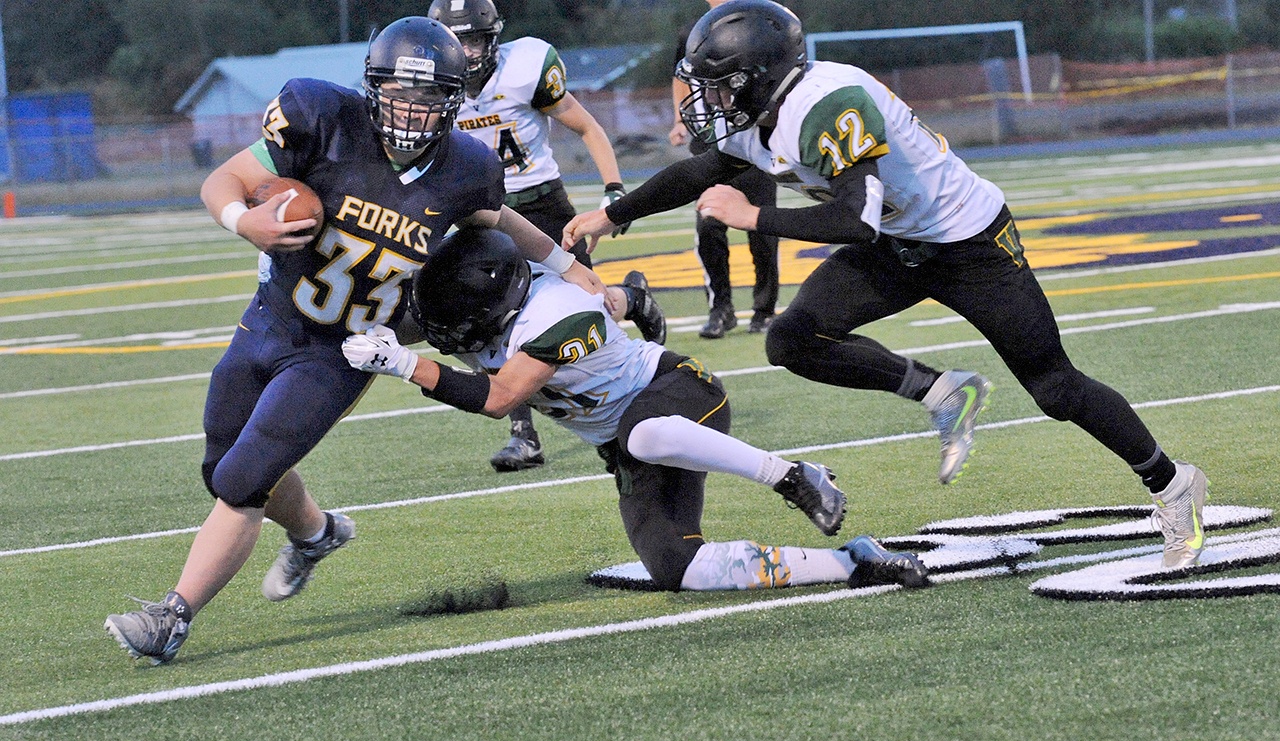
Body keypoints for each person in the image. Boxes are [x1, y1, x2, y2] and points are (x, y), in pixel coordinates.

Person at [564, 0, 1209, 573]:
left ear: (757, 76)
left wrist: (753, 216)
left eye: (719, 85)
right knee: (793, 340)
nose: (707, 100)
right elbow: (699, 172)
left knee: (1055, 388)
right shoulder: (763, 112)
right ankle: (941, 391)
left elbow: (854, 223)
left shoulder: (826, 104)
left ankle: (1173, 484)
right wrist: (612, 214)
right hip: (900, 244)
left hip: (968, 244)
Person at [103, 17, 607, 665]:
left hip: (342, 350)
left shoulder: (465, 167)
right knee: (221, 465)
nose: (411, 110)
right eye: (399, 93)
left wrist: (568, 266)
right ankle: (316, 532)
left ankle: (171, 618)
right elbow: (222, 180)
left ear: (453, 101)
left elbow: (501, 218)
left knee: (244, 479)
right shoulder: (322, 118)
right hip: (270, 319)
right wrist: (243, 220)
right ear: (372, 87)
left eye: (429, 98)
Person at [342, 226, 930, 592]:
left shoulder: (558, 314)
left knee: (643, 434)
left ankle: (794, 477)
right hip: (623, 440)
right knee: (677, 568)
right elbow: (411, 319)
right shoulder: (489, 299)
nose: (447, 336)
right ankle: (852, 562)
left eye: (458, 325)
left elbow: (499, 398)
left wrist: (404, 364)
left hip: (681, 395)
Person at [427, 0, 667, 472]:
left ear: (493, 37)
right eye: (457, 41)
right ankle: (524, 435)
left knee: (589, 307)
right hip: (480, 215)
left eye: (474, 39)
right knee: (488, 317)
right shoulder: (433, 85)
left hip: (540, 203)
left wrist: (613, 189)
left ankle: (631, 300)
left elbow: (587, 126)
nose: (467, 52)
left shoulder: (526, 68)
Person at [669, 0, 781, 338]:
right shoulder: (693, 32)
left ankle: (765, 309)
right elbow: (680, 76)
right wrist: (679, 119)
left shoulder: (758, 23)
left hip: (754, 137)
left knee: (763, 231)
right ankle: (720, 308)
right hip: (712, 141)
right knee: (709, 227)